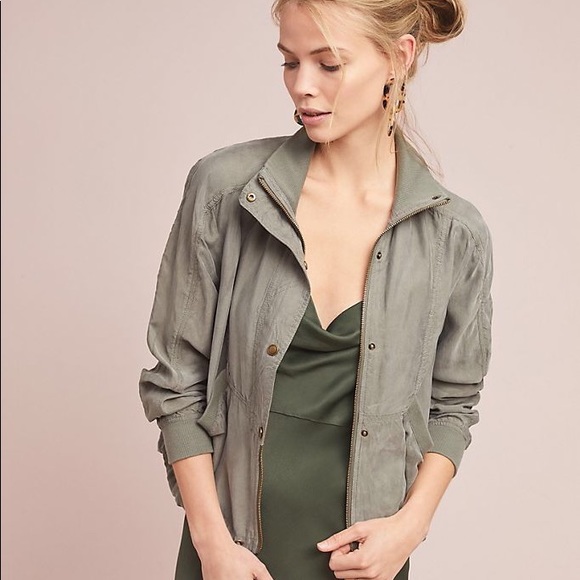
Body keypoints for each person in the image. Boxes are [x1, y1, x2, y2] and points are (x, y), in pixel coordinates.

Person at [139, 0, 493, 578]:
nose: (302, 86)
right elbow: (177, 382)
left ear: (398, 58)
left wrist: (409, 528)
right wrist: (212, 545)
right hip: (232, 553)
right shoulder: (227, 192)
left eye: (329, 64)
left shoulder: (454, 234)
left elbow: (452, 403)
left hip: (366, 560)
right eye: (290, 61)